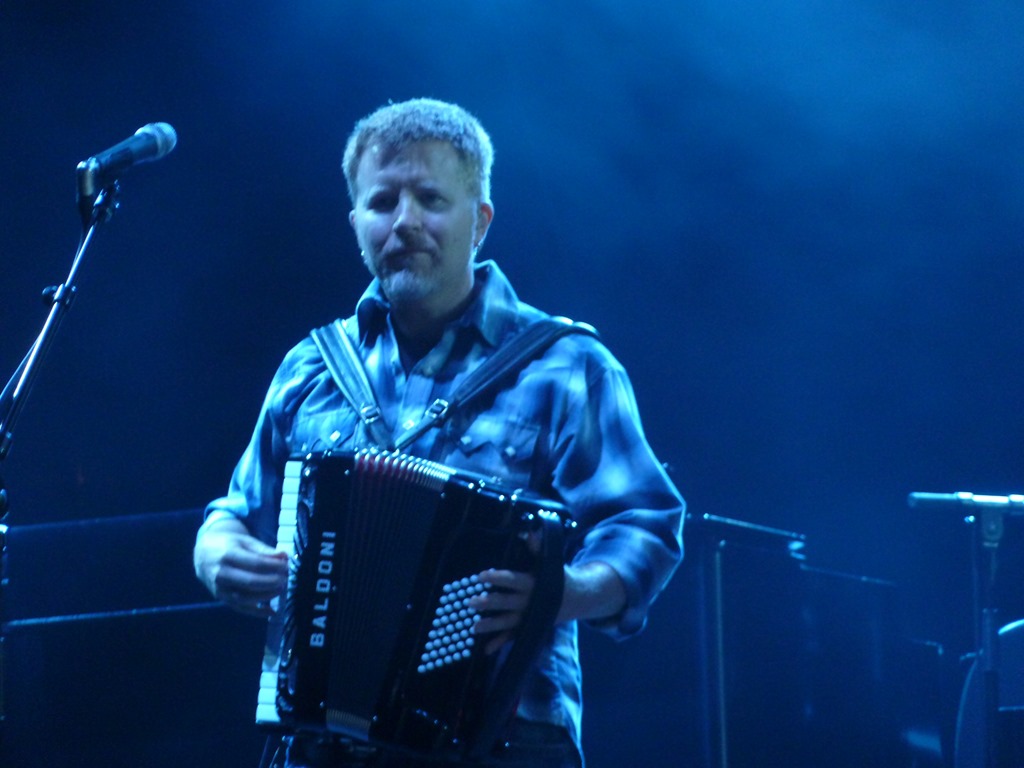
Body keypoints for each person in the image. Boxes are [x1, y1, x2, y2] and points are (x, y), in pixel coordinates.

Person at [193, 98, 684, 768]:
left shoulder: (566, 366)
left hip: (501, 743)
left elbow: (645, 524)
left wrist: (562, 593)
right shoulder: (312, 367)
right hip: (320, 742)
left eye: (430, 199)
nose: (405, 222)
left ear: (479, 221)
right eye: (382, 202)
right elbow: (236, 512)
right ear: (356, 224)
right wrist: (215, 552)